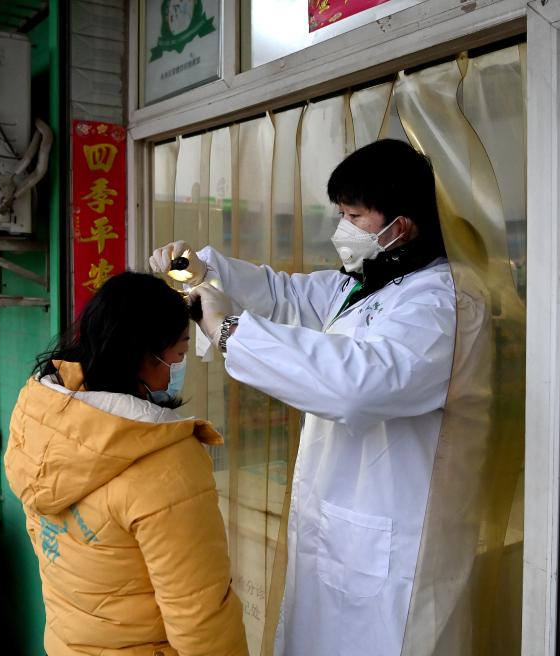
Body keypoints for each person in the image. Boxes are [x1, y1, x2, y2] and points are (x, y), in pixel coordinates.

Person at [149, 139, 456, 655]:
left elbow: (357, 387)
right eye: (340, 213)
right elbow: (282, 295)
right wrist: (196, 270)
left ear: (400, 227)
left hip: (388, 541)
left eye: (353, 216)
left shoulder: (437, 304)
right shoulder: (363, 285)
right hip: (341, 527)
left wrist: (229, 331)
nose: (341, 227)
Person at [4, 271, 248, 656]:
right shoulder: (166, 463)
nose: (180, 367)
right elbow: (199, 617)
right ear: (143, 355)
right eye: (179, 355)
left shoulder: (43, 419)